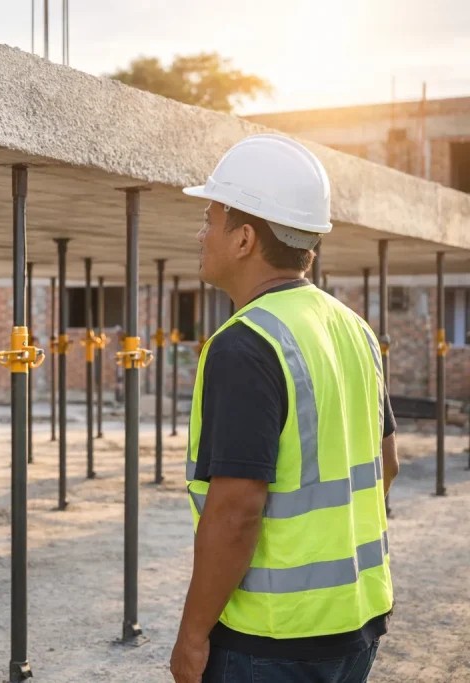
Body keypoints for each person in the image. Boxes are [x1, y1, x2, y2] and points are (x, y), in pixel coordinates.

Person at [169, 134, 398, 683]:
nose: (199, 234)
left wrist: (192, 636)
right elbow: (387, 465)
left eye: (210, 218)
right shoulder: (353, 329)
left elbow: (236, 511)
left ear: (245, 238)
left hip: (273, 640)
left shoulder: (245, 343)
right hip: (355, 622)